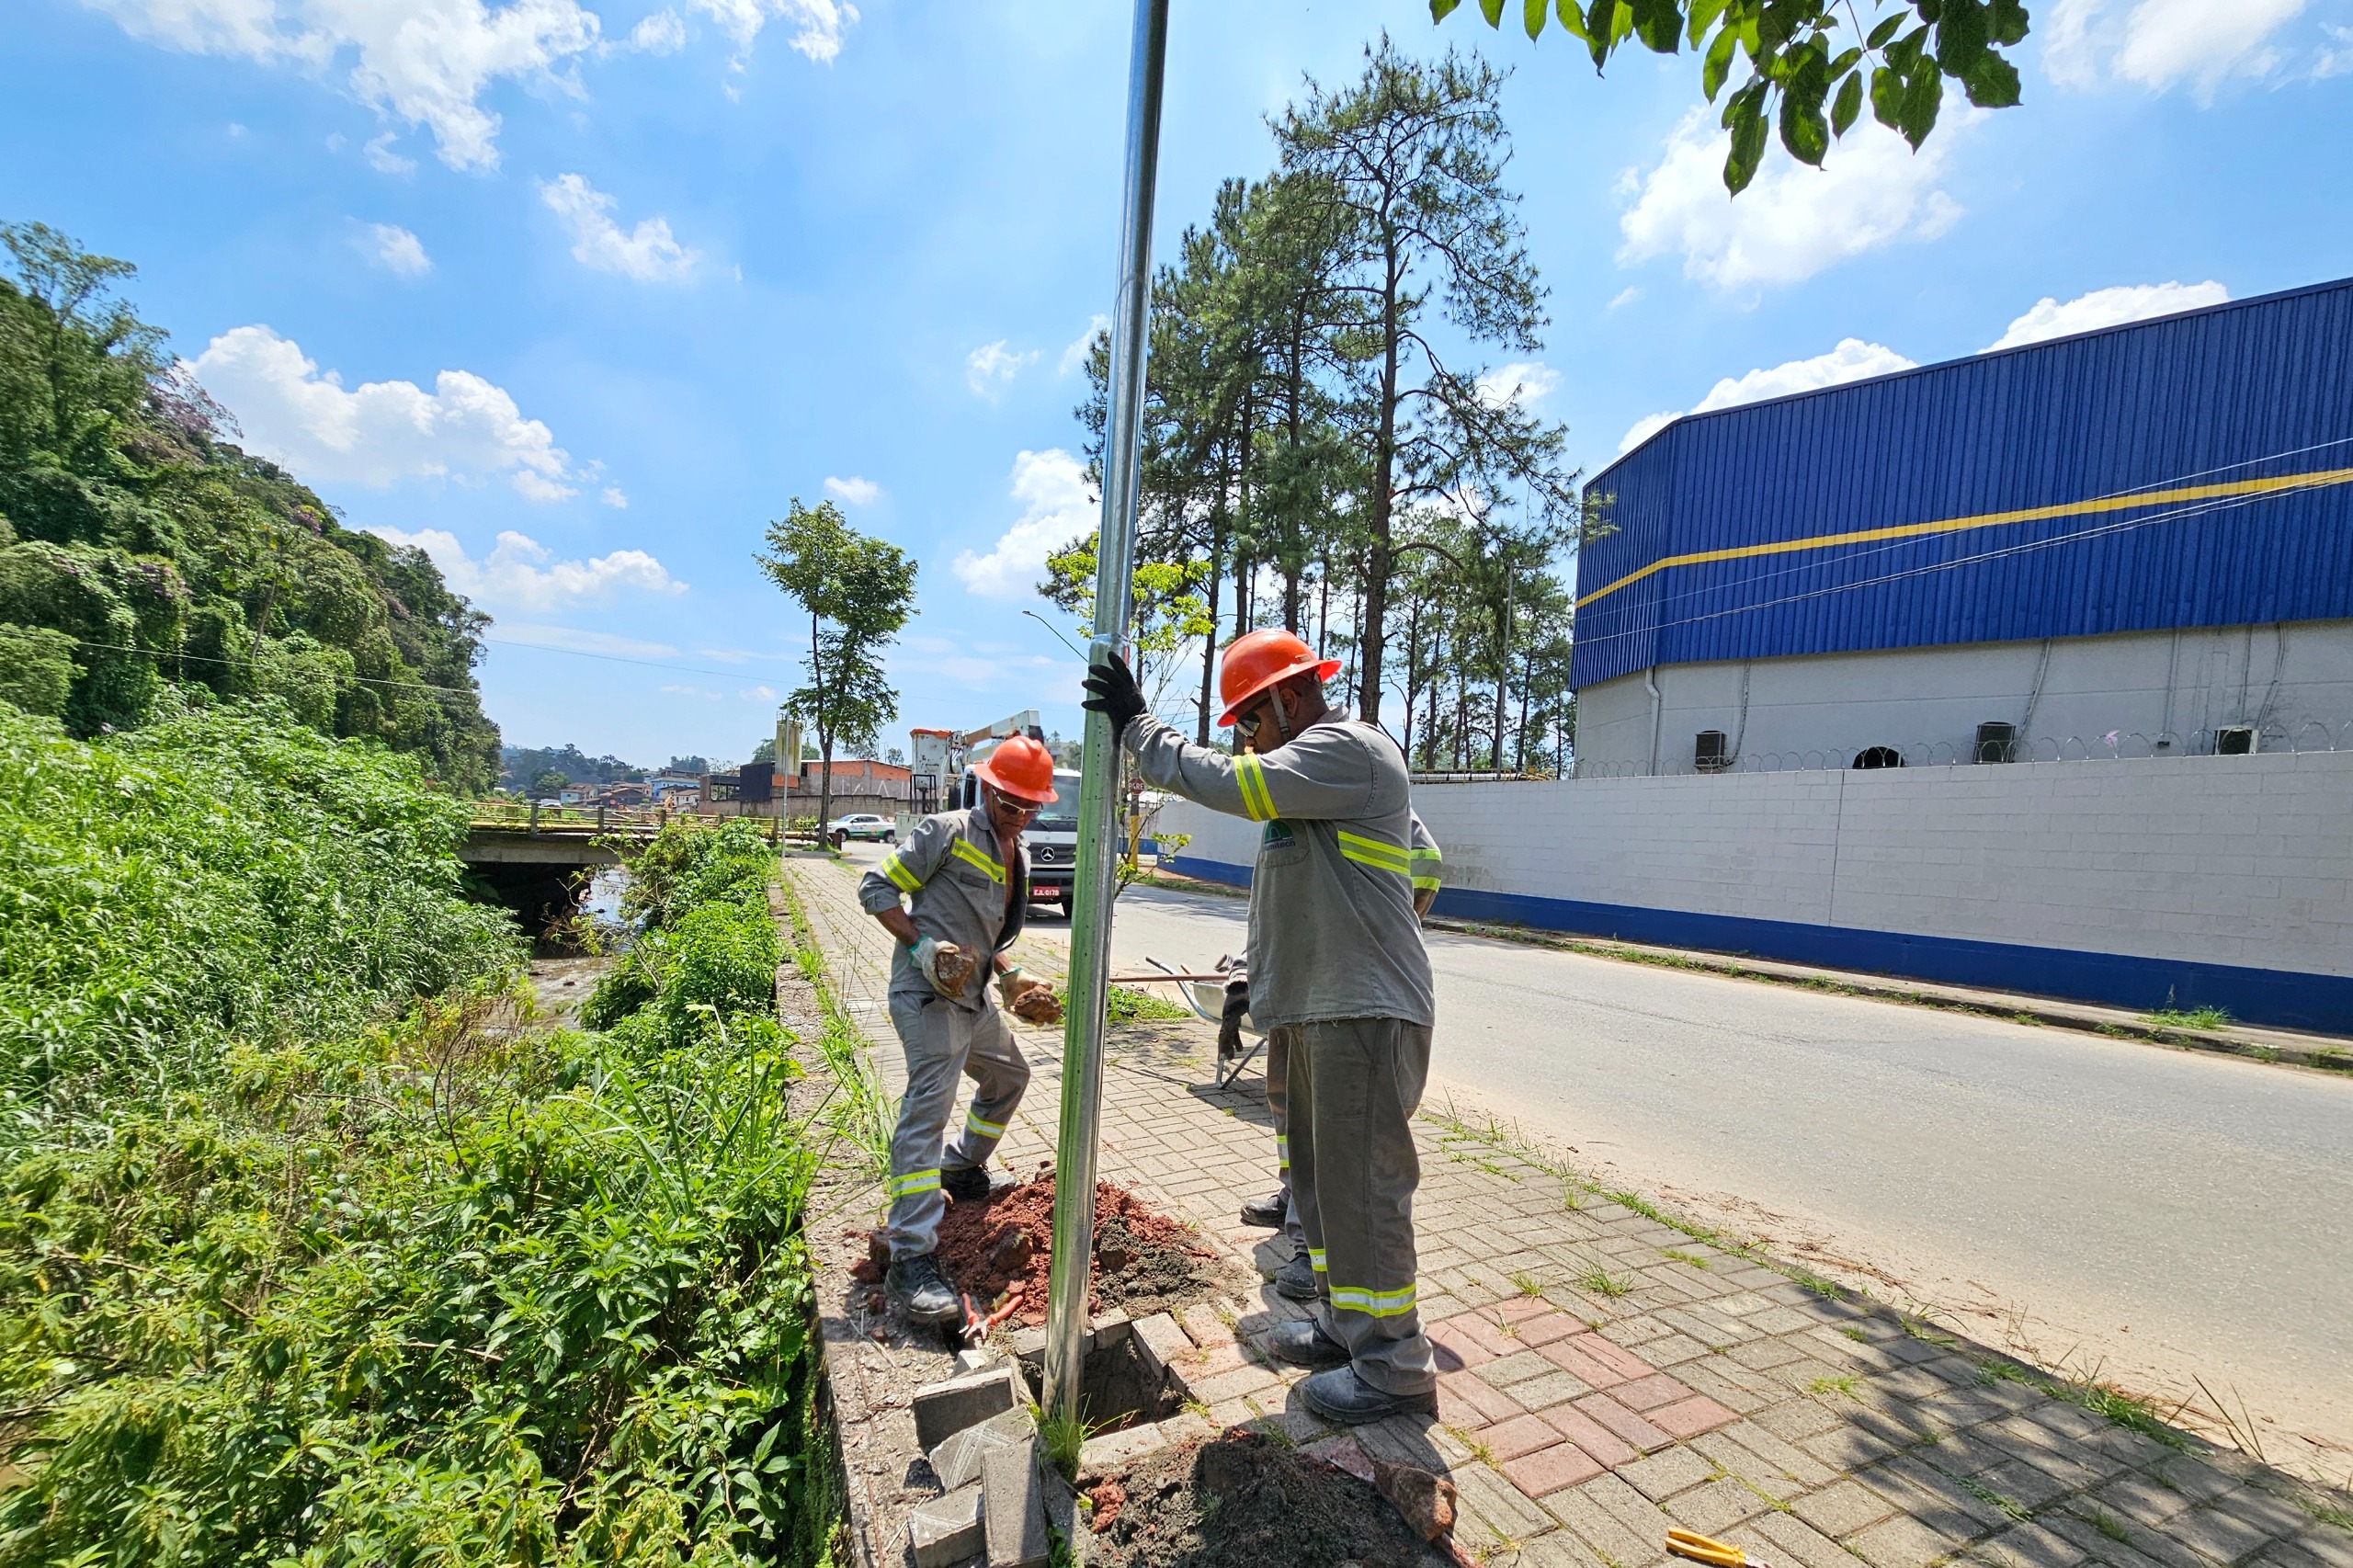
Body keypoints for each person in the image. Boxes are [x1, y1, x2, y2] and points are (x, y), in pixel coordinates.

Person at [1084, 630, 1440, 1424]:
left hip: (1362, 1008)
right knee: (1319, 1189)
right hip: (1324, 1007)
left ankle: (1394, 1365)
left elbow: (1234, 785)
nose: (1247, 735)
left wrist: (1143, 731)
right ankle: (1348, 1331)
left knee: (1365, 1193)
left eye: (1252, 717)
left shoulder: (1350, 749)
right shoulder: (1316, 776)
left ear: (1291, 696)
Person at [858, 733, 1061, 1325]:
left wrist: (1013, 975)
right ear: (987, 787)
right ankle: (910, 1255)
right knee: (928, 1106)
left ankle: (963, 1165)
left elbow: (990, 937)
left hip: (972, 998)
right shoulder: (944, 832)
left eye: (1028, 807)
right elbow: (874, 888)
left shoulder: (1015, 854)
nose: (1017, 816)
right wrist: (922, 946)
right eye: (1008, 802)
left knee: (1009, 1076)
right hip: (928, 996)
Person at [1233, 809, 1441, 1305]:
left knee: (1331, 1138)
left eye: (1252, 726)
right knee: (1286, 1106)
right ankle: (1292, 1197)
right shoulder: (1287, 800)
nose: (1249, 740)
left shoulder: (1353, 790)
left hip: (1337, 992)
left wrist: (1382, 930)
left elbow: (1427, 862)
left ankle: (1310, 1244)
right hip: (1295, 985)